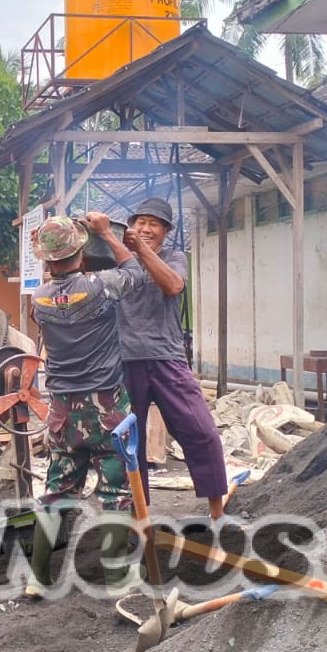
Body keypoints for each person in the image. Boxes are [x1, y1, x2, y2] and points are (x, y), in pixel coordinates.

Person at [24, 213, 149, 597]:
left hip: (62, 410)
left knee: (56, 492)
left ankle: (38, 577)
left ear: (46, 260)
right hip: (106, 405)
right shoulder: (101, 286)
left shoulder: (38, 299)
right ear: (81, 252)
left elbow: (58, 289)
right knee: (115, 490)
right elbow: (137, 273)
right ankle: (116, 578)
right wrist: (106, 233)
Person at [119, 196, 233, 528]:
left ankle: (217, 514)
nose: (145, 228)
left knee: (202, 432)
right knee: (128, 444)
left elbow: (172, 285)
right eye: (140, 222)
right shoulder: (118, 260)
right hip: (124, 361)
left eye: (154, 224)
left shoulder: (173, 257)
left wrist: (141, 250)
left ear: (166, 231)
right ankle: (138, 520)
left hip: (167, 358)